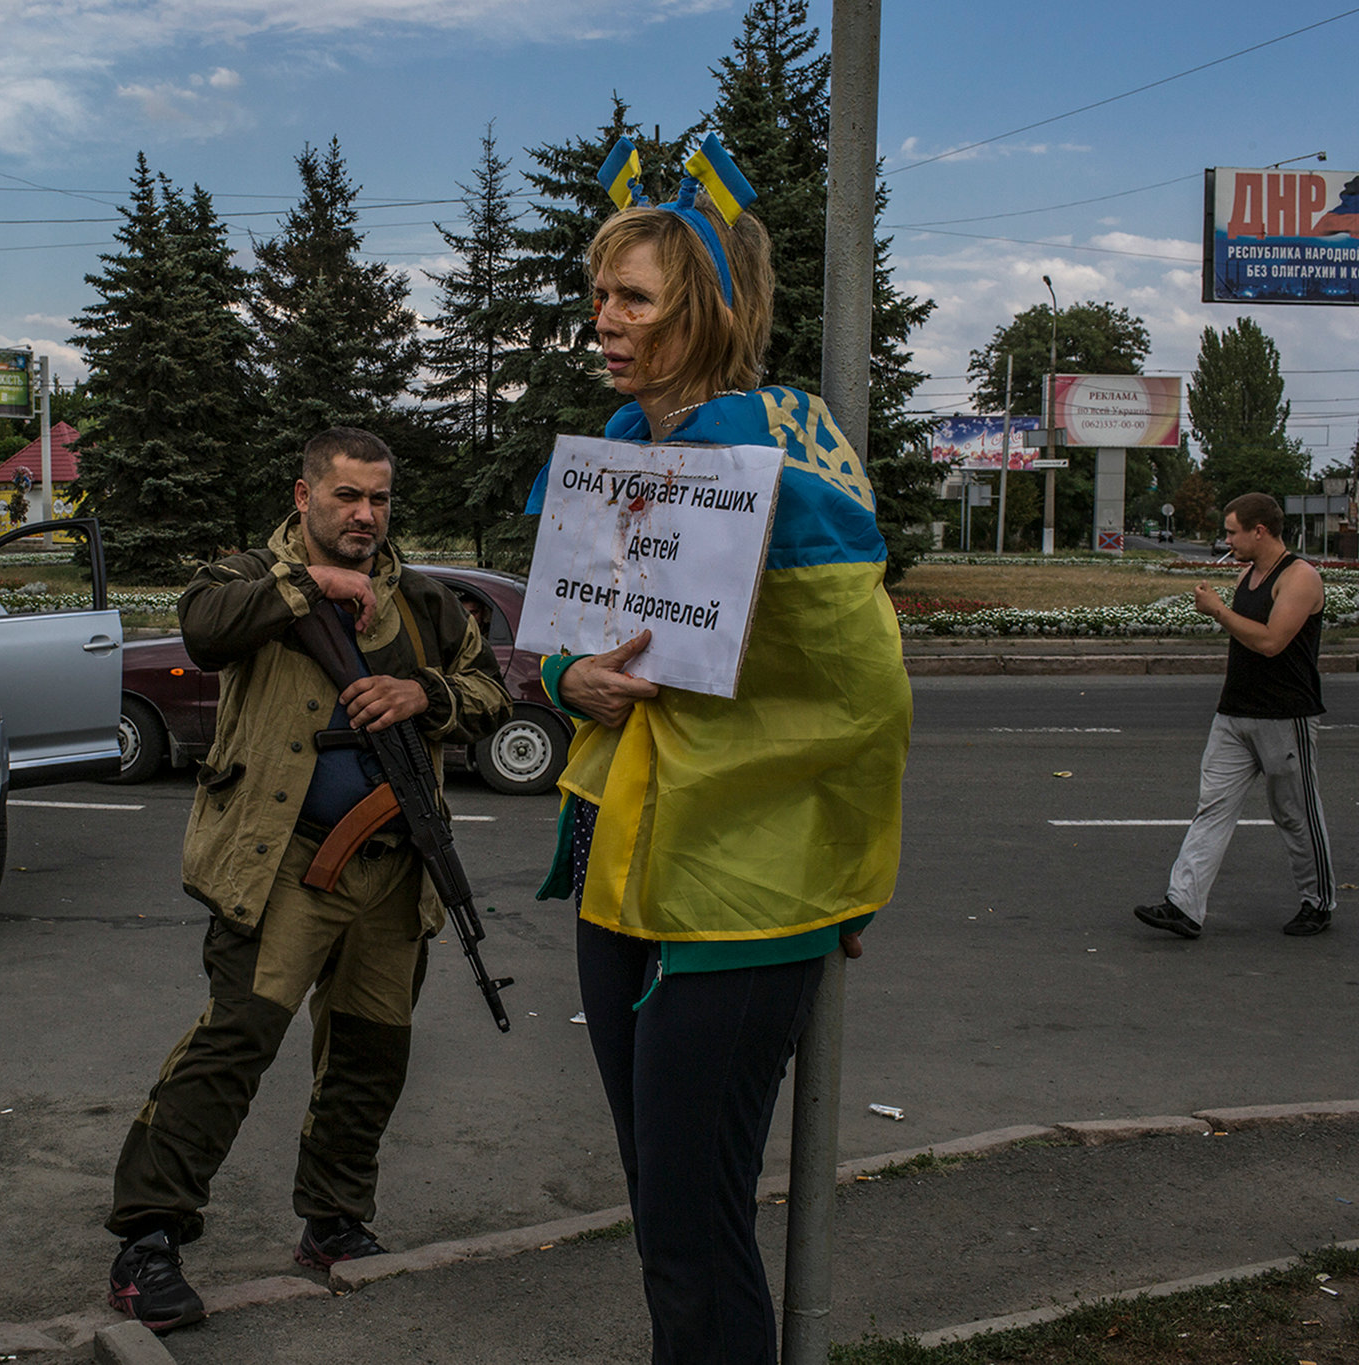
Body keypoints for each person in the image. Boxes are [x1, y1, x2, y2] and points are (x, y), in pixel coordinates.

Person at [528, 145, 912, 1364]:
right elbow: (567, 653)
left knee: (693, 1231)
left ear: (705, 308)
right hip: (617, 876)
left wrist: (844, 873)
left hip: (741, 902)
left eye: (632, 298)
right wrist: (563, 679)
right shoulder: (610, 443)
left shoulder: (781, 457)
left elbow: (864, 700)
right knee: (662, 1220)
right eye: (599, 296)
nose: (602, 321)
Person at [105, 427, 510, 1331]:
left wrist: (425, 697)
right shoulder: (245, 580)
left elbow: (494, 693)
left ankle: (334, 1221)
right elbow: (203, 629)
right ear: (304, 495)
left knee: (372, 1054)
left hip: (397, 867)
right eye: (346, 497)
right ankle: (149, 1240)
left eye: (379, 500)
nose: (365, 515)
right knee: (236, 1041)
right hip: (280, 858)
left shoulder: (429, 603)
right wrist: (310, 586)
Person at [1135, 493, 1333, 940]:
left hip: (1285, 715)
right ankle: (1183, 905)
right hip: (1234, 713)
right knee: (1212, 809)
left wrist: (1219, 611)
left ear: (1258, 530)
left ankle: (1318, 901)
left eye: (1231, 531)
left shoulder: (1299, 578)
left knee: (1296, 814)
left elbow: (1270, 642)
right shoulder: (1249, 574)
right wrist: (1223, 609)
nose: (1227, 540)